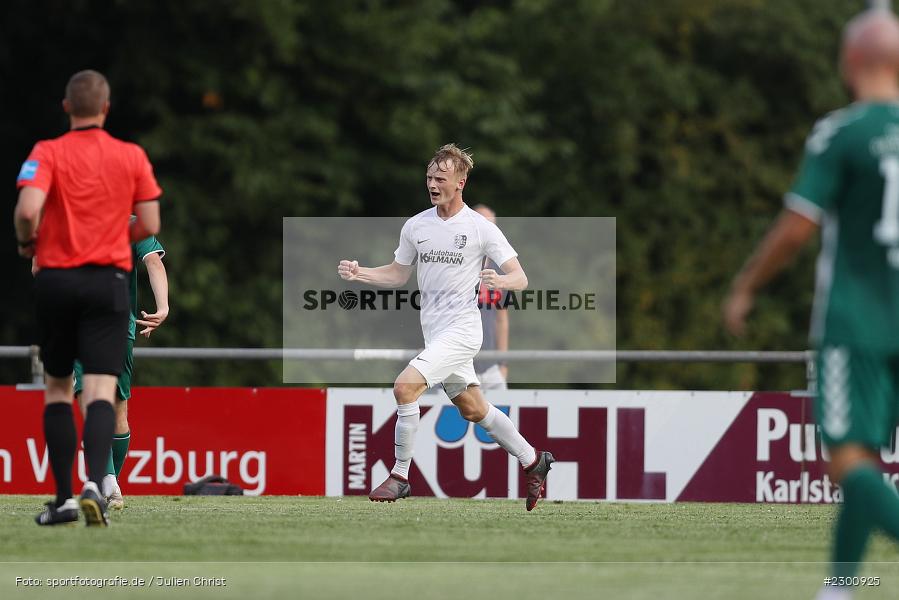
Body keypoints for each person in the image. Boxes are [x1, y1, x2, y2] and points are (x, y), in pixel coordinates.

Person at [723, 9, 899, 599]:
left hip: (857, 324)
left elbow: (799, 225)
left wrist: (746, 284)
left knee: (848, 463)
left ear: (850, 63)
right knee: (868, 460)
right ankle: (839, 589)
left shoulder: (841, 133)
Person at [338, 144, 553, 510]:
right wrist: (362, 274)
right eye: (429, 178)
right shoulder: (417, 225)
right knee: (473, 409)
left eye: (441, 178)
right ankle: (534, 459)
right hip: (436, 334)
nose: (433, 184)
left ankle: (400, 476)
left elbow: (521, 277)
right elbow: (398, 274)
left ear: (460, 182)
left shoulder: (479, 228)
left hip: (464, 332)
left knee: (405, 386)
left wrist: (501, 282)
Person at [14, 70, 162, 527]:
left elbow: (26, 211)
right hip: (108, 284)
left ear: (66, 108)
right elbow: (150, 223)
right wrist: (117, 240)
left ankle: (62, 500)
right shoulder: (131, 155)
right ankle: (97, 484)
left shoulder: (47, 152)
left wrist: (28, 244)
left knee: (59, 389)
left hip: (58, 280)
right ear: (106, 108)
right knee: (101, 389)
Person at [74, 232, 168, 510]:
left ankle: (105, 481)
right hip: (119, 326)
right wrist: (162, 307)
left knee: (92, 401)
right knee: (118, 409)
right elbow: (154, 262)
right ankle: (110, 486)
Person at [472, 204, 509, 390]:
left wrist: (503, 363)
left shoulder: (500, 269)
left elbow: (501, 320)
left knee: (503, 417)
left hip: (490, 368)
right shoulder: (455, 265)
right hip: (458, 364)